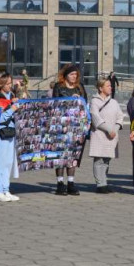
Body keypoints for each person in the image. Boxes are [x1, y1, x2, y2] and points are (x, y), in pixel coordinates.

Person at [52, 64, 87, 196]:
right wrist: (69, 101)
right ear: (66, 75)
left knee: (73, 154)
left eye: (76, 75)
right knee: (61, 155)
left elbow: (85, 104)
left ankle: (71, 183)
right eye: (72, 74)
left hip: (76, 127)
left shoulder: (80, 87)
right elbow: (54, 104)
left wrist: (80, 100)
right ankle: (60, 183)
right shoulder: (59, 87)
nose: (74, 77)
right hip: (61, 126)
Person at [0, 73, 20, 202]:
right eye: (7, 84)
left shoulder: (12, 96)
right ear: (1, 84)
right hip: (0, 132)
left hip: (11, 131)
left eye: (10, 83)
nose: (10, 86)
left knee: (8, 162)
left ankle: (6, 189)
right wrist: (11, 109)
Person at [89, 78, 124, 194]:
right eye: (108, 86)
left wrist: (115, 129)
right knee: (99, 160)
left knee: (107, 160)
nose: (111, 87)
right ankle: (100, 184)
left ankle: (104, 182)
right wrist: (109, 130)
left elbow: (120, 116)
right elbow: (96, 118)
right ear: (100, 88)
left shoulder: (113, 102)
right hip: (100, 134)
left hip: (112, 135)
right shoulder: (94, 101)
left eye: (110, 86)